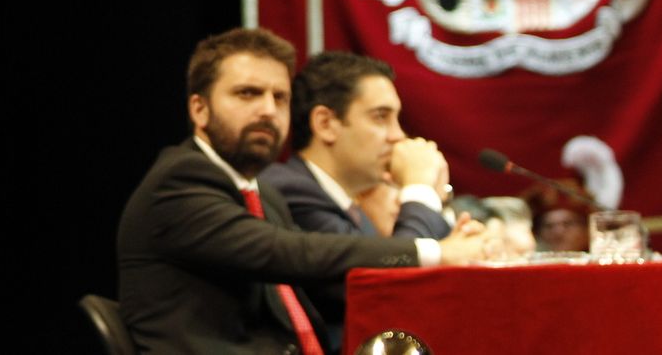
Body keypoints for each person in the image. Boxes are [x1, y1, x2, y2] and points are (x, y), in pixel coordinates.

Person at [117, 28, 486, 355]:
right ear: (200, 109)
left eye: (279, 97)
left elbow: (340, 286)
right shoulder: (181, 180)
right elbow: (290, 252)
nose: (267, 110)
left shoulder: (262, 194)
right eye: (248, 94)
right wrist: (436, 250)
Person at [258, 52, 456, 347]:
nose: (398, 135)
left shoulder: (347, 205)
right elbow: (385, 287)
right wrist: (419, 188)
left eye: (396, 119)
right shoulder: (287, 190)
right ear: (326, 123)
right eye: (381, 117)